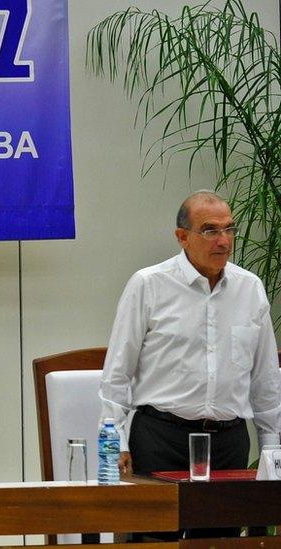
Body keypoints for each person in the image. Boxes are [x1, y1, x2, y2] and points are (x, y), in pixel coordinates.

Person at [99, 190, 281, 537]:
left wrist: (272, 449)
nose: (223, 240)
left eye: (230, 229)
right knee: (156, 540)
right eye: (210, 230)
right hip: (161, 438)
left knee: (220, 541)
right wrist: (115, 443)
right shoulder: (148, 285)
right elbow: (117, 373)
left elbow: (265, 380)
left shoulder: (250, 289)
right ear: (182, 236)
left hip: (228, 442)